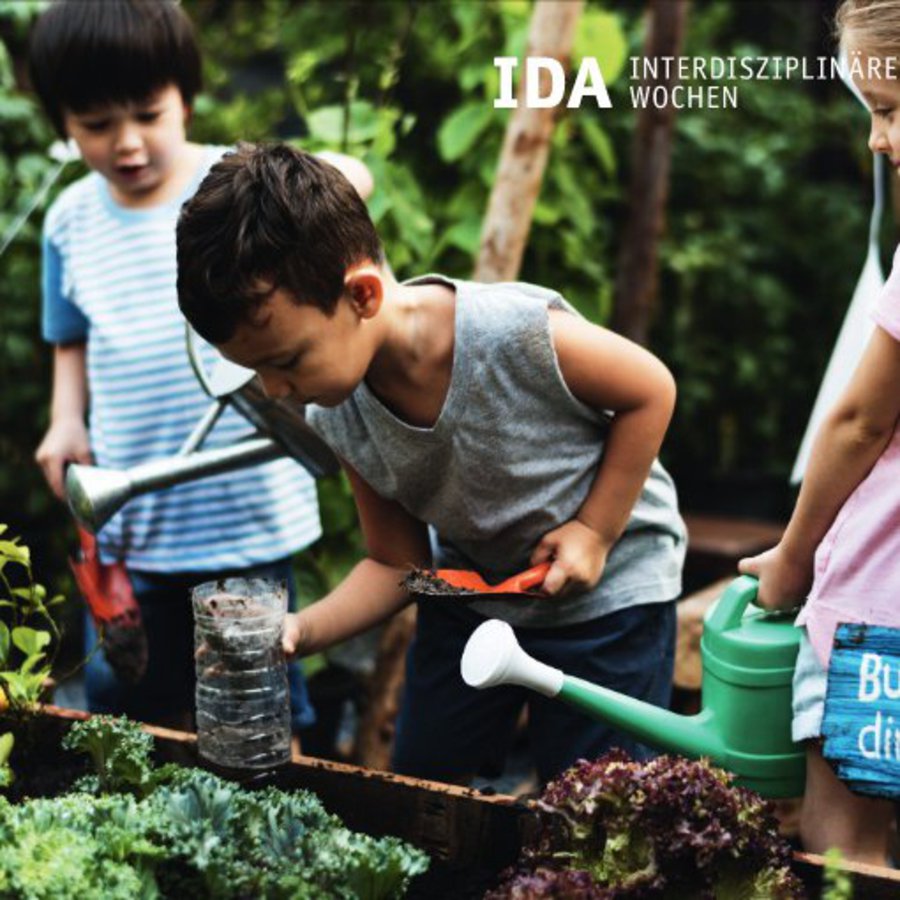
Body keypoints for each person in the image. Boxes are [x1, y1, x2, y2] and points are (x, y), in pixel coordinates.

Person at [175, 142, 686, 785]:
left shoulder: (510, 334)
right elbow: (398, 563)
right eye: (257, 370)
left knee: (599, 803)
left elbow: (651, 388)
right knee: (424, 790)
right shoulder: (337, 409)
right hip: (472, 595)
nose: (276, 390)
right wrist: (298, 631)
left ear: (361, 295)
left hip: (608, 603)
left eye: (287, 361)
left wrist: (595, 530)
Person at [28, 0, 373, 732]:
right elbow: (69, 337)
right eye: (96, 126)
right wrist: (65, 419)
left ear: (185, 95)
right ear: (61, 121)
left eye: (148, 115)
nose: (127, 144)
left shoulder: (231, 191)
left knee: (259, 706)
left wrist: (309, 188)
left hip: (243, 515)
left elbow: (352, 178)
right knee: (122, 712)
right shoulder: (69, 221)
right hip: (133, 514)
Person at [739, 0, 900, 864]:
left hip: (886, 617)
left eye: (890, 111)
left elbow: (862, 418)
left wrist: (795, 556)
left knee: (845, 852)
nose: (877, 140)